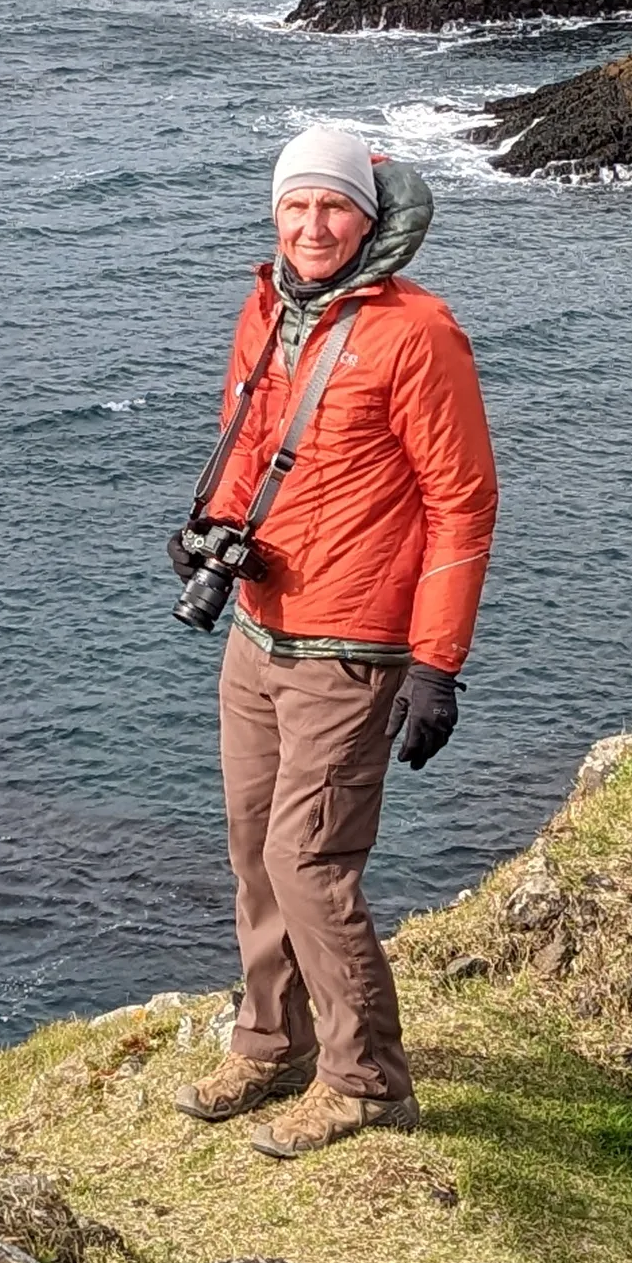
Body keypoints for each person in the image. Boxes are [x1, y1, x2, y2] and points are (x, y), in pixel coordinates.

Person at [175, 123, 497, 1159]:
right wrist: (206, 528)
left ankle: (367, 1081)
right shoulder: (269, 306)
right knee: (253, 848)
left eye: (333, 207)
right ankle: (272, 1041)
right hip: (259, 628)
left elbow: (462, 504)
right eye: (296, 205)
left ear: (368, 217)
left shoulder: (418, 333)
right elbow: (249, 443)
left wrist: (437, 664)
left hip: (352, 644)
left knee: (307, 858)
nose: (312, 226)